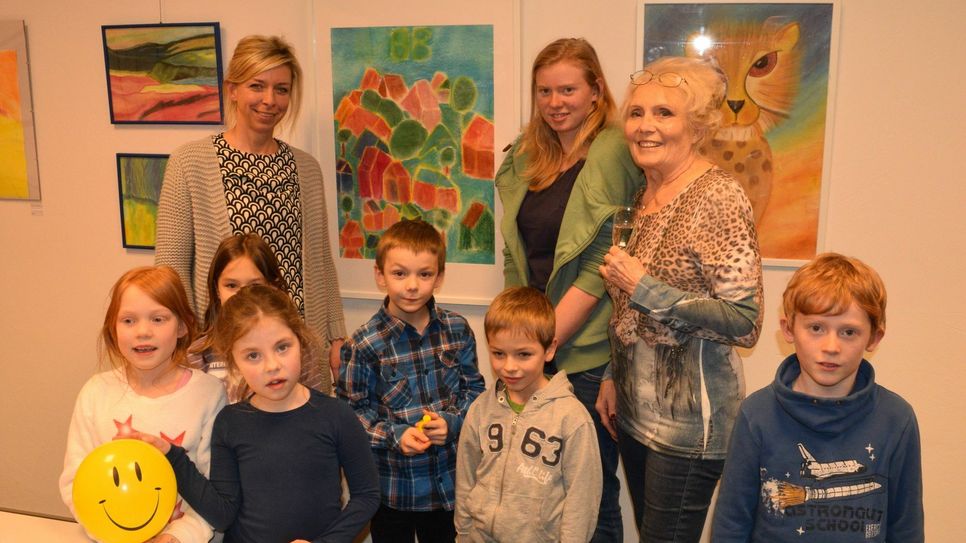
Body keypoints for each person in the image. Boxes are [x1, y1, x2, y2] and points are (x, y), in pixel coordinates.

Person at [597, 55, 764, 542]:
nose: (645, 126)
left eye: (664, 113)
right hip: (635, 414)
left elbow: (744, 321)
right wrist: (611, 374)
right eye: (636, 113)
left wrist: (642, 286)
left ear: (697, 126)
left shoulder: (717, 196)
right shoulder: (644, 196)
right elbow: (628, 312)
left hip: (690, 427)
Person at [496, 37, 645, 543]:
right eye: (545, 91)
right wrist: (519, 338)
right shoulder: (531, 155)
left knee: (590, 495)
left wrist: (540, 343)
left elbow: (604, 262)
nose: (555, 102)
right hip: (538, 347)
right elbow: (516, 252)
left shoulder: (611, 152)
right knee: (539, 487)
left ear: (596, 90)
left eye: (568, 90)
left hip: (584, 354)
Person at [155, 34, 345, 393]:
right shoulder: (189, 163)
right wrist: (185, 342)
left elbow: (321, 261)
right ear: (233, 89)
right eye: (257, 86)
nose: (269, 100)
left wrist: (336, 335)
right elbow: (170, 268)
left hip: (296, 352)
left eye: (281, 89)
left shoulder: (306, 168)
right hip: (223, 355)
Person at [140, 284, 380, 543]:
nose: (272, 366)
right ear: (233, 360)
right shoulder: (230, 423)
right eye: (253, 355)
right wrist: (173, 456)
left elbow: (367, 495)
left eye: (282, 347)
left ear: (300, 341)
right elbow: (222, 514)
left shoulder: (336, 415)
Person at [712, 253, 923, 542]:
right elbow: (731, 523)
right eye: (816, 328)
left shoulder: (897, 419)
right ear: (788, 329)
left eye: (848, 332)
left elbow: (906, 527)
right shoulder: (755, 414)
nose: (831, 346)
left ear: (874, 338)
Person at [336, 219, 486, 543]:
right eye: (400, 273)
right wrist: (395, 435)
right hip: (393, 491)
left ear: (439, 277)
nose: (412, 286)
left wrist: (453, 422)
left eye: (425, 274)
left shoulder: (457, 330)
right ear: (380, 275)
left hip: (450, 486)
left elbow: (474, 391)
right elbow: (350, 415)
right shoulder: (363, 344)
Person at [60, 266, 226, 543]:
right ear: (113, 328)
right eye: (128, 320)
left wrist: (178, 536)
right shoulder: (95, 393)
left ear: (183, 326)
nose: (143, 332)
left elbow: (216, 490)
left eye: (158, 319)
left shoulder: (209, 394)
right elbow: (75, 482)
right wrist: (113, 534)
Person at [455, 286, 602, 542]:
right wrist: (464, 534)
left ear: (549, 350)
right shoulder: (481, 409)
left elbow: (582, 498)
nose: (509, 367)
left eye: (523, 354)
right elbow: (466, 478)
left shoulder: (571, 418)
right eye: (498, 354)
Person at [188, 233, 326, 402]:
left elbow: (315, 406)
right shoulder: (197, 354)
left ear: (273, 286)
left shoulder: (299, 348)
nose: (242, 294)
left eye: (255, 285)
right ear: (217, 289)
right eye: (231, 285)